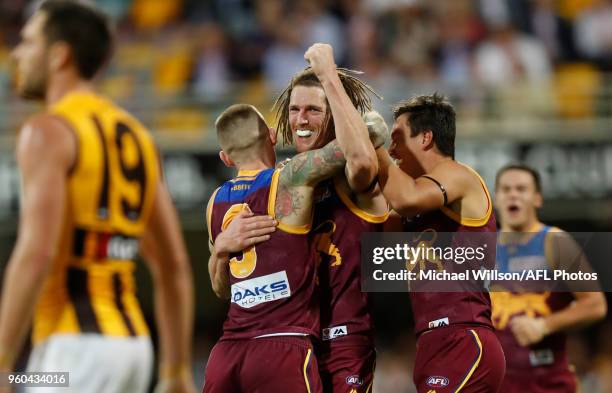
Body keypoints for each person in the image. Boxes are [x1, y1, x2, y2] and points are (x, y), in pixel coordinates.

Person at [0, 1, 195, 392]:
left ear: (59, 55)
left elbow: (37, 252)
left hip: (73, 350)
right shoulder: (138, 136)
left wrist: (2, 360)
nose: (17, 53)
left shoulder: (47, 131)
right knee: (27, 380)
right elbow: (172, 263)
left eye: (28, 41)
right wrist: (175, 369)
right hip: (134, 350)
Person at [204, 103, 386, 393]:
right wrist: (371, 119)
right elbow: (366, 138)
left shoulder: (215, 202)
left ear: (225, 158)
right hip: (283, 345)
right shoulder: (291, 178)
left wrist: (221, 251)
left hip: (226, 354)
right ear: (273, 136)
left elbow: (220, 288)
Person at [274, 43, 389, 393]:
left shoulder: (353, 178)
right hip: (288, 341)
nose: (301, 120)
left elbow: (363, 162)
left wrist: (328, 73)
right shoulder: (285, 177)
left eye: (313, 110)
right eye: (294, 110)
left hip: (343, 342)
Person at [375, 93, 505, 392]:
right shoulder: (416, 199)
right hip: (432, 341)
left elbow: (405, 198)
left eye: (396, 138)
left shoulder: (457, 174)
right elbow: (383, 238)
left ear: (426, 138)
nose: (392, 149)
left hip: (463, 336)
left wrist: (375, 148)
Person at [492, 164, 607, 393]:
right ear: (496, 198)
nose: (513, 194)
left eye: (521, 189)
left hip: (546, 381)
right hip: (498, 383)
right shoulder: (482, 248)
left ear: (537, 199)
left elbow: (595, 305)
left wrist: (544, 325)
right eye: (506, 189)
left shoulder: (555, 242)